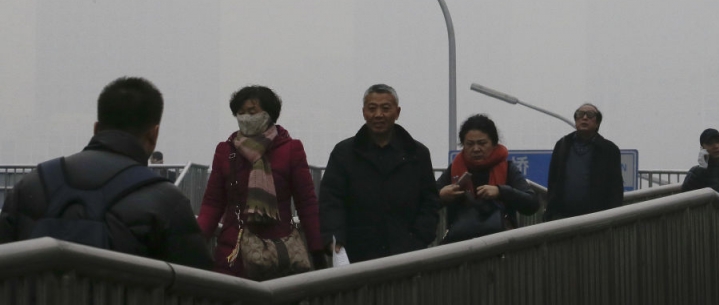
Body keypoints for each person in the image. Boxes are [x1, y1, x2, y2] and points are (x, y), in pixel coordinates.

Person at [0, 76, 212, 268]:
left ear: (96, 128)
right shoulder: (166, 200)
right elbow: (199, 286)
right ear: (153, 134)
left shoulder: (33, 182)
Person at [197, 85, 325, 278]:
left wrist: (317, 249)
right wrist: (195, 243)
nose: (245, 117)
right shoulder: (226, 151)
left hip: (278, 253)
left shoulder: (291, 149)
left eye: (252, 112)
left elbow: (306, 204)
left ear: (269, 114)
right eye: (240, 113)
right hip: (233, 253)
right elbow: (212, 204)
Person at [318, 84, 439, 263]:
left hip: (407, 254)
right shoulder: (343, 153)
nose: (378, 115)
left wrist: (419, 239)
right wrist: (335, 239)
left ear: (397, 112)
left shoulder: (417, 154)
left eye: (385, 108)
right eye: (372, 108)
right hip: (357, 253)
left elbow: (429, 202)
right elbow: (331, 200)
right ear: (363, 112)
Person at [436, 114, 540, 243]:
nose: (476, 149)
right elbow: (427, 202)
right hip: (461, 248)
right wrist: (441, 196)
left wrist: (501, 191)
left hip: (500, 248)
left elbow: (532, 204)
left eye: (482, 143)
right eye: (469, 144)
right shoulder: (454, 170)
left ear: (494, 143)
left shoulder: (507, 168)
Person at [543, 103, 623, 221]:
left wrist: (612, 218)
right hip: (562, 219)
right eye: (580, 114)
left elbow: (615, 188)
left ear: (597, 123)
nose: (584, 118)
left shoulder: (609, 150)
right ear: (575, 120)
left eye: (590, 115)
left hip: (596, 220)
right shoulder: (563, 144)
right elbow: (553, 181)